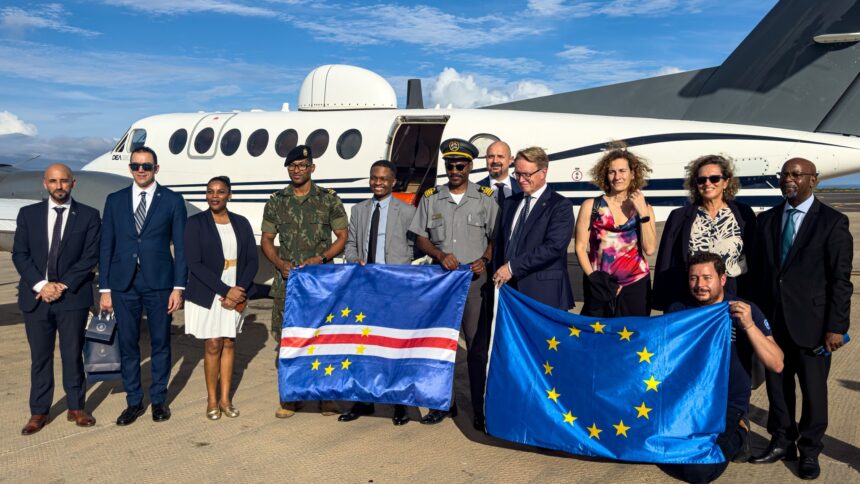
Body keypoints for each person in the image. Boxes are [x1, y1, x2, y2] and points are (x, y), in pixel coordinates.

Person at [748, 158, 853, 480]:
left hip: (814, 325)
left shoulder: (833, 222)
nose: (789, 179)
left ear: (813, 181)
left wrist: (836, 327)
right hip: (774, 324)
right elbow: (759, 275)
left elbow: (841, 280)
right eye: (784, 175)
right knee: (778, 390)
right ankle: (782, 442)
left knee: (813, 393)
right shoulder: (766, 221)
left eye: (796, 174)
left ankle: (809, 450)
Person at [661, 251, 784, 483]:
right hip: (685, 404)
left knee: (699, 472)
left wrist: (749, 326)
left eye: (707, 278)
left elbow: (776, 363)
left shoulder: (743, 310)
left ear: (723, 279)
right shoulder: (679, 310)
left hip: (726, 407)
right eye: (693, 278)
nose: (700, 285)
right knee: (643, 445)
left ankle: (740, 432)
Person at [409, 138, 498, 430]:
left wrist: (484, 259)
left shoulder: (485, 198)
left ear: (470, 166)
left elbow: (497, 237)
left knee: (476, 347)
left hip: (474, 282)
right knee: (440, 346)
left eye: (461, 165)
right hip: (442, 282)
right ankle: (443, 404)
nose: (455, 170)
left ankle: (480, 407)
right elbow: (420, 236)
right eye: (450, 165)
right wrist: (438, 253)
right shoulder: (432, 197)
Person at [99, 146, 187, 426]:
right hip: (123, 284)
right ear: (130, 169)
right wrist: (105, 288)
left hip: (159, 284)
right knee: (127, 344)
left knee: (161, 342)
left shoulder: (172, 200)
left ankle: (159, 399)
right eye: (136, 166)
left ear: (156, 169)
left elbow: (182, 248)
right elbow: (106, 246)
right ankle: (133, 401)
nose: (140, 170)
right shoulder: (115, 200)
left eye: (146, 166)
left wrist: (178, 287)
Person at [12, 164, 101, 435]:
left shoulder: (88, 215)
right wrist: (42, 284)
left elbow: (89, 257)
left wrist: (61, 285)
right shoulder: (28, 214)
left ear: (73, 183)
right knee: (40, 357)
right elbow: (20, 254)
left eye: (64, 181)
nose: (59, 186)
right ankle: (39, 411)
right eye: (53, 181)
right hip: (36, 297)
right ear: (45, 184)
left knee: (73, 355)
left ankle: (76, 407)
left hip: (71, 297)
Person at [261, 144, 348, 419]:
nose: (297, 170)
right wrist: (279, 264)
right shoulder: (277, 201)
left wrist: (321, 258)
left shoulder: (328, 199)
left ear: (312, 168)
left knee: (324, 337)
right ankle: (291, 397)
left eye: (302, 166)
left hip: (321, 283)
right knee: (288, 341)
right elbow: (267, 239)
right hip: (288, 283)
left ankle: (326, 398)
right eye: (292, 166)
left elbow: (342, 237)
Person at [339, 160, 416, 426]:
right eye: (374, 178)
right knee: (363, 344)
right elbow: (350, 244)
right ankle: (364, 399)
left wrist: (401, 269)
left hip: (394, 288)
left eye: (384, 178)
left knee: (395, 345)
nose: (378, 182)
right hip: (365, 288)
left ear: (393, 182)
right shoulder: (359, 210)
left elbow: (417, 246)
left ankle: (399, 404)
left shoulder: (407, 211)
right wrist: (353, 259)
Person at [184, 176, 258, 420]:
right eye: (210, 191)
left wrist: (239, 291)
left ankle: (226, 399)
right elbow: (194, 263)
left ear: (229, 195)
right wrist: (225, 290)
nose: (215, 196)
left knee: (228, 343)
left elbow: (252, 261)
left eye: (220, 191)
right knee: (213, 343)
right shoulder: (195, 223)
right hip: (209, 290)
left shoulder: (241, 223)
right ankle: (212, 399)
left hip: (236, 287)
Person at [653, 155, 756, 311]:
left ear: (726, 182)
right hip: (692, 293)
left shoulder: (744, 213)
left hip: (733, 291)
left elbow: (755, 255)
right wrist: (664, 300)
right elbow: (666, 259)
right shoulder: (679, 216)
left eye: (714, 178)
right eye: (701, 180)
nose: (708, 183)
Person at [574, 144, 656, 317]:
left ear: (633, 174)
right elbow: (580, 247)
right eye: (612, 172)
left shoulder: (645, 207)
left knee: (633, 339)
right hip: (600, 284)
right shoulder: (591, 205)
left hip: (636, 284)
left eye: (622, 171)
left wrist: (643, 213)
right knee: (596, 338)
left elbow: (649, 249)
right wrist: (593, 278)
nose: (617, 176)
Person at [492, 146, 574, 310]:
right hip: (508, 290)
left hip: (543, 293)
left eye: (527, 175)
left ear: (543, 172)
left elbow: (553, 248)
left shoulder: (560, 206)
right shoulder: (510, 203)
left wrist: (511, 267)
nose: (521, 180)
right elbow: (501, 243)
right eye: (518, 174)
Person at [477, 140, 521, 205]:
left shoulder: (521, 187)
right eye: (491, 156)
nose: (495, 161)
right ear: (486, 159)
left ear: (510, 160)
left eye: (500, 156)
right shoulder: (476, 188)